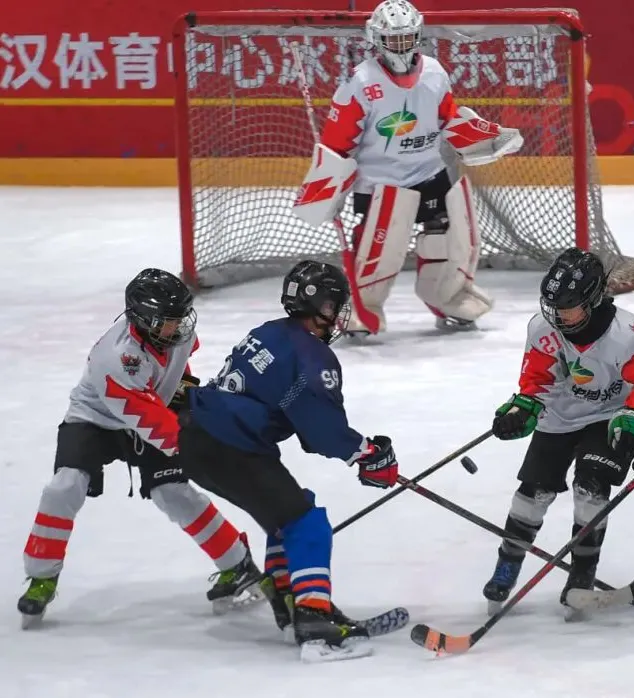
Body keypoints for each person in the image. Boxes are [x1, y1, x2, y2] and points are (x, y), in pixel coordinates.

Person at [176, 259, 400, 663]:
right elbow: (322, 432)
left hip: (195, 439)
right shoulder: (312, 356)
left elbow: (303, 420)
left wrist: (357, 452)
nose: (338, 313)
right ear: (322, 307)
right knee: (307, 524)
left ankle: (291, 608)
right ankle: (314, 623)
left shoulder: (269, 331)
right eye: (335, 305)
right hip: (231, 447)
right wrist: (367, 454)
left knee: (290, 514)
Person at [17, 269, 261, 628]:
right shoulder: (115, 358)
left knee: (173, 492)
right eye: (168, 320)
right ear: (142, 320)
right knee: (65, 485)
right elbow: (150, 421)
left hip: (149, 404)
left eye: (181, 317)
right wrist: (205, 447)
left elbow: (179, 368)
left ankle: (237, 563)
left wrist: (188, 395)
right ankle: (41, 577)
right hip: (95, 419)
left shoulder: (175, 332)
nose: (178, 326)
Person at [292, 0, 524, 335]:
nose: (400, 46)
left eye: (406, 37)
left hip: (430, 172)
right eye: (393, 38)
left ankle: (449, 297)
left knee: (451, 241)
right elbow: (338, 141)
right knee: (380, 250)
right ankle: (362, 306)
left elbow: (447, 117)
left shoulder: (434, 72)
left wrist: (484, 136)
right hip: (381, 183)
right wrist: (327, 188)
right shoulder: (360, 82)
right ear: (376, 38)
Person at [481, 248, 634, 618]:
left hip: (609, 417)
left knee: (591, 489)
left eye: (567, 307)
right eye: (552, 306)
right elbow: (537, 380)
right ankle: (507, 565)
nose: (557, 315)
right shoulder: (542, 328)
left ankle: (582, 574)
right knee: (532, 494)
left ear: (593, 299)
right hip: (558, 417)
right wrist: (523, 408)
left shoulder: (628, 334)